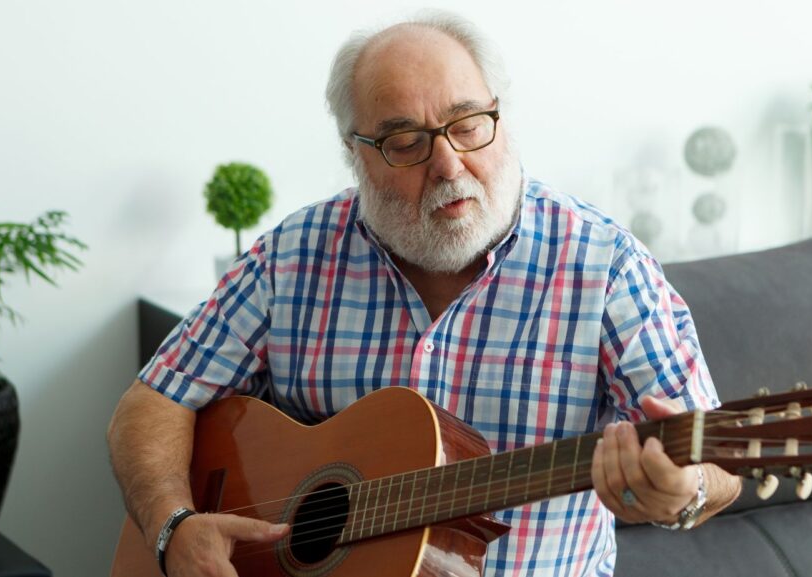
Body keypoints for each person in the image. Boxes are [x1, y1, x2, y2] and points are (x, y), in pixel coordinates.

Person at [107, 10, 741, 577]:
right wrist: (172, 528)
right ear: (356, 154)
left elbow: (717, 466)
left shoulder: (605, 266)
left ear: (500, 116)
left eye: (468, 124)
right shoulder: (294, 256)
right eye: (405, 142)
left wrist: (683, 492)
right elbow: (154, 400)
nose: (447, 164)